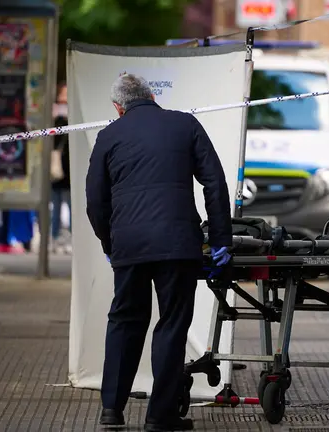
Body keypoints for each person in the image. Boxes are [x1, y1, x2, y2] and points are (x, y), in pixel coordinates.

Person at [86, 74, 232, 431]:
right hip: (178, 245)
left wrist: (110, 243)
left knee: (124, 322)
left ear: (117, 107)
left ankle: (111, 411)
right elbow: (214, 180)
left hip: (130, 246)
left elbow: (94, 201)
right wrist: (220, 239)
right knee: (171, 324)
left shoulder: (108, 136)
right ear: (153, 96)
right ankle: (160, 416)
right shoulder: (185, 124)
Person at [51, 81, 72, 253]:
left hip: (70, 172)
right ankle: (54, 237)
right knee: (56, 206)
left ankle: (70, 237)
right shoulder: (55, 119)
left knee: (72, 206)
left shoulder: (74, 119)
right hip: (57, 171)